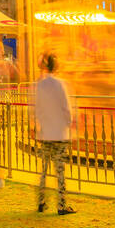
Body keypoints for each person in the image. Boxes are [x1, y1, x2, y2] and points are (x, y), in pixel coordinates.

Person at [34, 52, 76, 215]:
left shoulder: (40, 85)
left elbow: (37, 108)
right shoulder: (60, 84)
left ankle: (41, 202)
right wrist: (68, 123)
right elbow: (66, 108)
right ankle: (61, 205)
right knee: (59, 171)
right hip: (59, 133)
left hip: (45, 133)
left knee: (43, 169)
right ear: (56, 66)